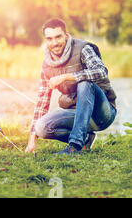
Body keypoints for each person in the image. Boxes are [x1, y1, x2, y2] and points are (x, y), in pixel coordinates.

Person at [25, 18, 117, 155]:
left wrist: (66, 77)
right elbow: (42, 102)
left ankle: (74, 147)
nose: (54, 43)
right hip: (77, 114)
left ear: (66, 35)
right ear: (46, 40)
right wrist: (32, 140)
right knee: (41, 127)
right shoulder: (47, 65)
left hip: (101, 113)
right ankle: (85, 139)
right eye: (49, 39)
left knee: (85, 83)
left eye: (58, 37)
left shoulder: (83, 49)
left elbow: (101, 71)